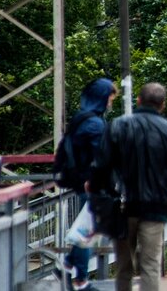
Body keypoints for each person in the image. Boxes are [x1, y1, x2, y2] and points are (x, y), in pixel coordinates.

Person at [91, 83, 167, 291]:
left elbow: (101, 166)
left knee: (123, 267)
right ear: (162, 105)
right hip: (156, 208)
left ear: (138, 100)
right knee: (150, 265)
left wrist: (100, 196)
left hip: (122, 206)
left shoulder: (117, 126)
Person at [62, 78, 117, 291]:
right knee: (88, 229)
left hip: (83, 179)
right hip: (90, 182)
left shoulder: (85, 118)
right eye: (109, 99)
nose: (110, 104)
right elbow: (100, 156)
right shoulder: (94, 123)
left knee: (89, 227)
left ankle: (66, 266)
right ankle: (80, 280)